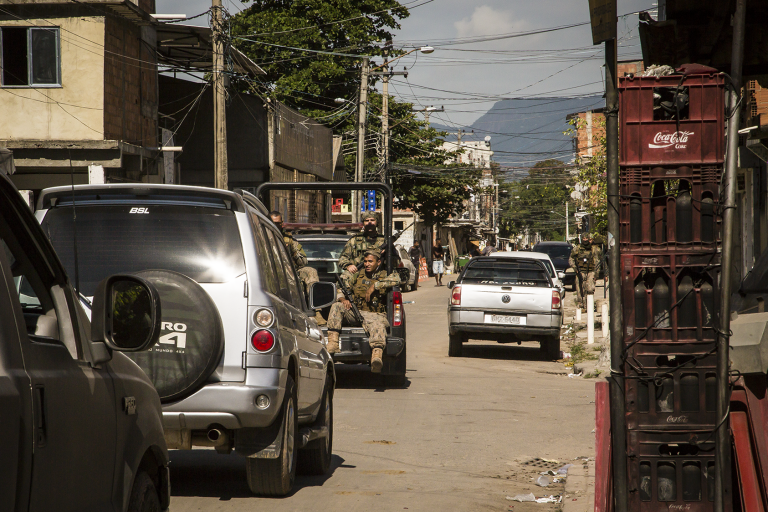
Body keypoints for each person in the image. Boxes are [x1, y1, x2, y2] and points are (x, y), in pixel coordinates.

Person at [326, 250, 401, 371]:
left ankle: (376, 357)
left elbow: (397, 279)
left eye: (370, 261)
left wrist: (375, 286)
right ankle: (333, 343)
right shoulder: (357, 275)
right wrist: (342, 299)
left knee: (378, 325)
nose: (367, 264)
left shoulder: (386, 274)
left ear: (378, 262)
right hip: (356, 312)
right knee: (336, 306)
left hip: (375, 315)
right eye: (365, 261)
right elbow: (340, 288)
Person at [270, 211, 325, 325]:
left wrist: (292, 251)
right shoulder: (263, 236)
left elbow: (303, 262)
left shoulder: (289, 240)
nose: (275, 226)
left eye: (278, 223)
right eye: (273, 223)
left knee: (311, 271)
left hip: (292, 271)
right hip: (273, 271)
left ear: (282, 223)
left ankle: (316, 310)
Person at [569, 232, 602, 309]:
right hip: (580, 272)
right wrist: (575, 268)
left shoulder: (594, 249)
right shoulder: (577, 249)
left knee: (590, 289)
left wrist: (597, 274)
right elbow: (571, 258)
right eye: (583, 238)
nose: (585, 240)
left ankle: (589, 305)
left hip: (591, 271)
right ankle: (581, 305)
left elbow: (598, 261)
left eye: (586, 238)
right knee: (580, 289)